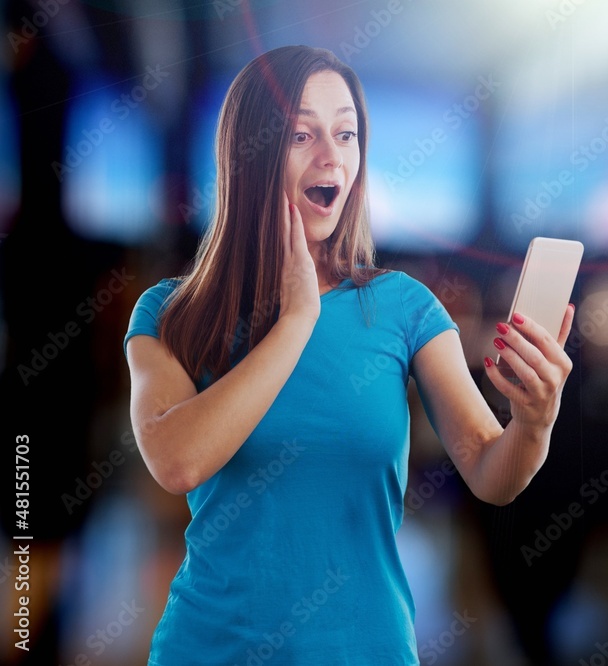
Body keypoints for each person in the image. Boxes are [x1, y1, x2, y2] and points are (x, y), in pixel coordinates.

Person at [123, 45, 575, 665]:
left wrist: (534, 422)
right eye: (302, 134)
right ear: (247, 153)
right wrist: (296, 320)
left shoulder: (404, 308)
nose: (331, 156)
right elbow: (177, 463)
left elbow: (491, 473)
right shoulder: (171, 312)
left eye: (346, 133)